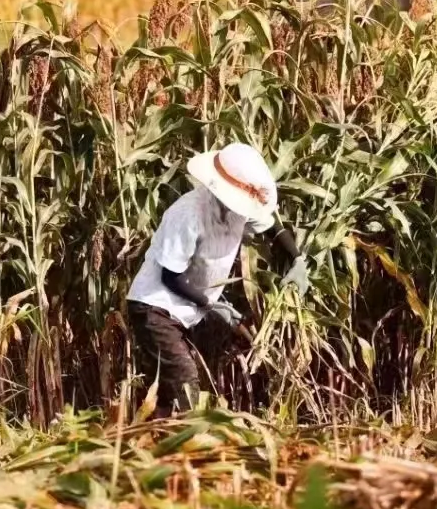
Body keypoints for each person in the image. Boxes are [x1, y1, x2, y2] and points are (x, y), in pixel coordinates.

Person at [127, 140, 308, 417]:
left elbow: (272, 227)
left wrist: (298, 259)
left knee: (170, 390)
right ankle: (183, 442)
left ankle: (154, 445)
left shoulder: (240, 210)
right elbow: (171, 277)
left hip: (185, 310)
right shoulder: (187, 213)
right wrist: (214, 306)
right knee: (184, 380)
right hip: (154, 307)